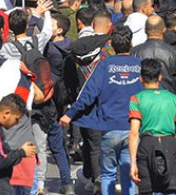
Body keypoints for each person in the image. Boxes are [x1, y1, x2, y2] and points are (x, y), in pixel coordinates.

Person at [60, 26, 142, 195]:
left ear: (112, 45)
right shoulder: (139, 65)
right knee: (128, 174)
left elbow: (87, 94)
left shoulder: (104, 66)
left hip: (109, 128)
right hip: (133, 129)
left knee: (108, 175)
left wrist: (69, 114)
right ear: (131, 43)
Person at [129, 58, 176, 195]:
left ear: (141, 78)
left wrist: (133, 163)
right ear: (160, 77)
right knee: (172, 188)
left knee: (149, 188)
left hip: (147, 145)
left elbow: (134, 133)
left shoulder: (136, 99)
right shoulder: (172, 98)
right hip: (170, 144)